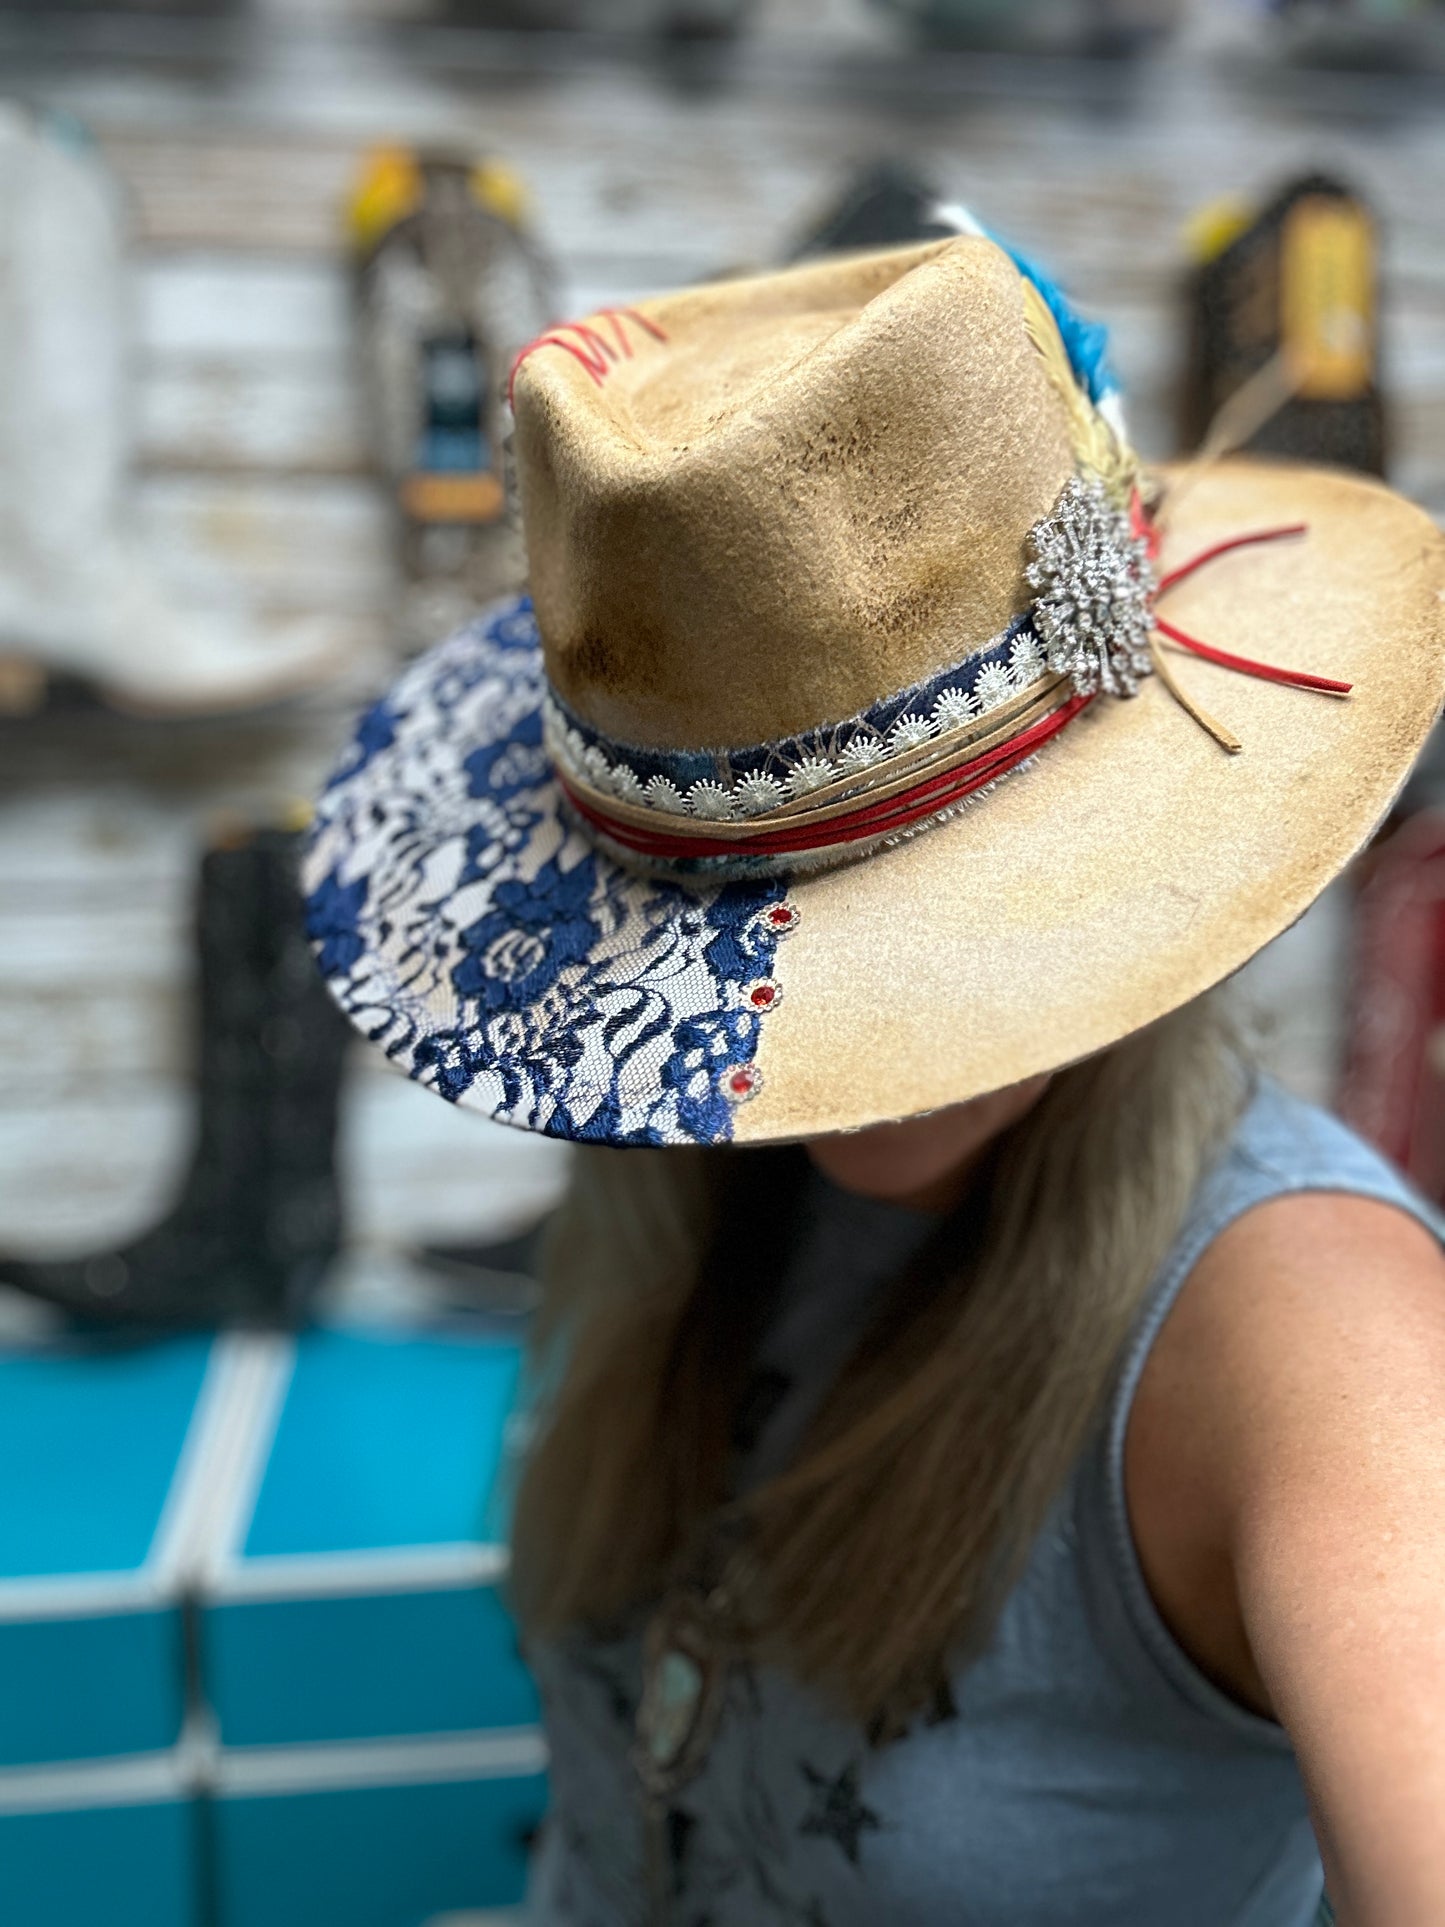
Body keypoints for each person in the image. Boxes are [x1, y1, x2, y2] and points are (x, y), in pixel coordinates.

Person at [303, 233, 1445, 1925]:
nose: (871, 1063)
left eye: (927, 912)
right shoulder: (700, 1172)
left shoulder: (1302, 1317)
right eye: (767, 928)